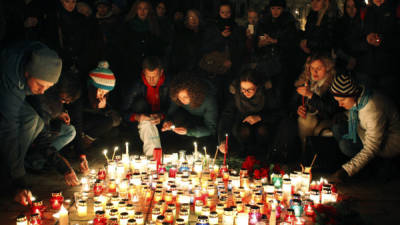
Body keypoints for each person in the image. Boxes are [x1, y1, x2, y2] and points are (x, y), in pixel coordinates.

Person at [0, 41, 69, 205]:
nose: (42, 91)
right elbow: (7, 128)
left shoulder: (40, 61)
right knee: (16, 127)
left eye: (48, 87)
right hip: (4, 93)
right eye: (40, 85)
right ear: (27, 73)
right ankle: (11, 173)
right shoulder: (10, 75)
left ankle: (16, 166)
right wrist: (18, 180)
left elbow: (42, 125)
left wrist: (61, 165)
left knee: (34, 120)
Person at [329, 74, 400, 182]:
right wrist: (345, 115)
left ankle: (375, 166)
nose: (339, 104)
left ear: (353, 94)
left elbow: (372, 146)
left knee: (346, 145)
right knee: (337, 128)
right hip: (368, 130)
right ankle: (361, 165)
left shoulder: (373, 109)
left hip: (389, 143)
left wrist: (346, 171)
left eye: (342, 100)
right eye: (337, 100)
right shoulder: (362, 95)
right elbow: (358, 112)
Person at [27, 72, 89, 175]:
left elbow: (77, 123)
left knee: (71, 131)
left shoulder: (57, 99)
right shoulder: (43, 94)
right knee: (45, 140)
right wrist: (63, 167)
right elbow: (44, 137)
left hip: (47, 125)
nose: (67, 102)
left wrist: (59, 114)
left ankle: (38, 160)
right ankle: (31, 161)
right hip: (33, 128)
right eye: (66, 99)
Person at [218, 69, 282, 158]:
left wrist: (260, 117)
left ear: (257, 87)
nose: (245, 93)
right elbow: (227, 115)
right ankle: (244, 155)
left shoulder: (267, 94)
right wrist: (222, 140)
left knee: (262, 130)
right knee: (244, 131)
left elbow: (278, 113)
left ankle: (262, 155)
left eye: (250, 90)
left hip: (264, 124)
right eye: (243, 89)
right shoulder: (236, 94)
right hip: (242, 126)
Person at [68, 61, 121, 153]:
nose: (102, 95)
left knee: (112, 124)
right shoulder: (79, 94)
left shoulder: (102, 97)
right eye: (100, 91)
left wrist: (102, 108)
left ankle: (86, 141)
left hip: (90, 121)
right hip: (75, 121)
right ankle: (78, 145)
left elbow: (111, 115)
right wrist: (81, 152)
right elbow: (77, 121)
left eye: (105, 93)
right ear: (92, 87)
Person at [123, 56, 170, 156]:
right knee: (139, 103)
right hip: (142, 120)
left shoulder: (168, 84)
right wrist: (137, 117)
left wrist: (161, 116)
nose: (152, 80)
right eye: (148, 76)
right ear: (144, 72)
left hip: (162, 121)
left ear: (161, 73)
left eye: (155, 76)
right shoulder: (136, 86)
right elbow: (123, 112)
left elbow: (173, 108)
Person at [294, 54, 340, 152]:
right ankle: (306, 154)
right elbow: (294, 103)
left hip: (329, 118)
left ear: (327, 68)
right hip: (314, 117)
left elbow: (331, 109)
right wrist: (299, 109)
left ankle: (316, 159)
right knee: (304, 121)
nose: (314, 72)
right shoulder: (307, 81)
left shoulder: (334, 83)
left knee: (320, 132)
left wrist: (311, 96)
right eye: (312, 68)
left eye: (319, 68)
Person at [162, 73, 217, 138]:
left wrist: (189, 132)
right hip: (186, 117)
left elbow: (211, 129)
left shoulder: (209, 101)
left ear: (194, 94)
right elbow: (170, 113)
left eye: (185, 97)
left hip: (201, 124)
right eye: (179, 97)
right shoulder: (177, 97)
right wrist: (168, 122)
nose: (182, 100)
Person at [169, 9, 205, 74]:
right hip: (185, 70)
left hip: (202, 68)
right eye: (190, 17)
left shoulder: (205, 32)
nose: (193, 20)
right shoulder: (181, 34)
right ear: (187, 19)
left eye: (195, 17)